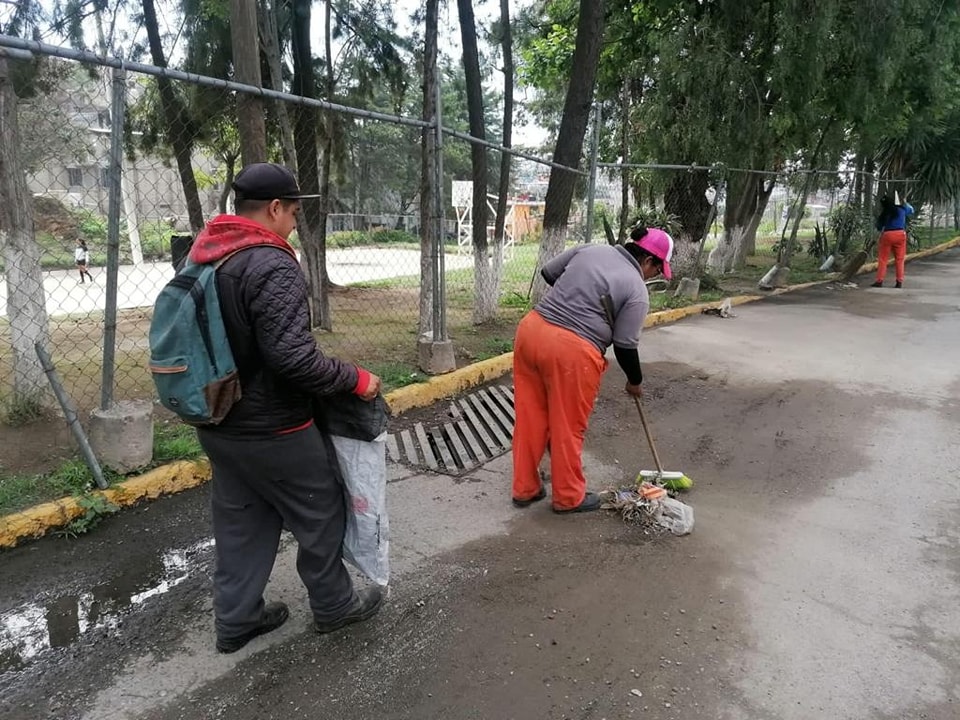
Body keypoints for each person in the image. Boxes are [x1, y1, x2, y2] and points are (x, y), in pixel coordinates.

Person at [187, 162, 385, 654]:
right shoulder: (271, 263)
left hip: (216, 420)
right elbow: (292, 358)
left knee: (241, 521)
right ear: (275, 208)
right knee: (319, 511)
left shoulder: (206, 252)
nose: (296, 221)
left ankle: (236, 619)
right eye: (294, 211)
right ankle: (335, 607)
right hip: (274, 427)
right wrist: (356, 379)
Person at [511, 226, 673, 513]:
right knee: (567, 425)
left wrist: (577, 293)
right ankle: (568, 497)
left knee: (530, 415)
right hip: (571, 352)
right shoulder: (636, 290)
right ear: (649, 261)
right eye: (657, 271)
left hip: (531, 331)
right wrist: (635, 381)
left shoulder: (591, 249)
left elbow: (549, 273)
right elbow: (624, 345)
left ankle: (525, 488)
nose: (654, 277)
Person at [872, 193, 914, 288]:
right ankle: (899, 282)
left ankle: (879, 281)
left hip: (887, 235)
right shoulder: (901, 209)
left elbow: (879, 227)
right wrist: (905, 202)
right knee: (900, 259)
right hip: (900, 234)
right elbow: (911, 210)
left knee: (883, 259)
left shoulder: (884, 213)